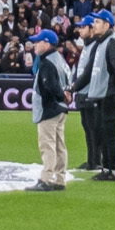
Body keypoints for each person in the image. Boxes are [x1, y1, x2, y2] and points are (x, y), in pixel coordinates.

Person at [77, 6, 115, 183]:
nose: (95, 25)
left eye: (98, 22)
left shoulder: (113, 43)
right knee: (104, 131)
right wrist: (73, 88)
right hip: (102, 93)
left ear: (107, 24)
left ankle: (112, 169)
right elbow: (88, 72)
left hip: (109, 93)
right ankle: (107, 168)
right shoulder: (103, 43)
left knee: (111, 132)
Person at [26, 28, 74, 191]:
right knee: (60, 145)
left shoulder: (47, 62)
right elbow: (67, 81)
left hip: (49, 108)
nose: (34, 45)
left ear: (46, 43)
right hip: (61, 109)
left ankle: (46, 179)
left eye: (37, 42)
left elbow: (50, 86)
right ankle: (60, 179)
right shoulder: (60, 59)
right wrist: (65, 95)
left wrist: (60, 95)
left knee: (47, 145)